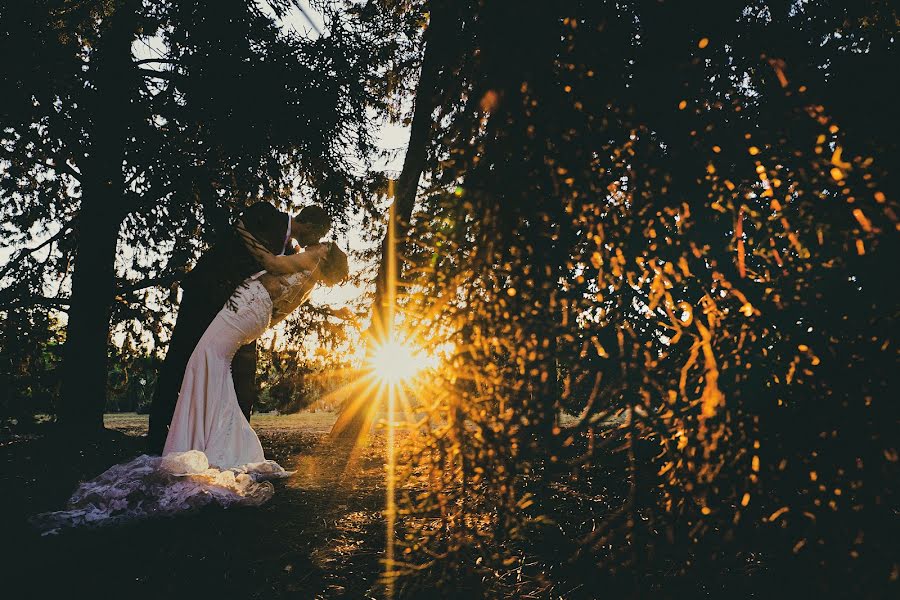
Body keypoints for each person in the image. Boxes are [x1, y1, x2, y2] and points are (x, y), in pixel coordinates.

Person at [33, 241, 351, 532]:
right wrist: (258, 313)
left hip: (249, 304)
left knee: (205, 359)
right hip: (258, 314)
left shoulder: (311, 256)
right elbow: (282, 309)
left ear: (326, 254)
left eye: (324, 244)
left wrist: (242, 235)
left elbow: (272, 262)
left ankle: (210, 441)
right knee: (213, 362)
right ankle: (221, 441)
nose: (320, 243)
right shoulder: (310, 282)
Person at [147, 202, 332, 454]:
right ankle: (158, 437)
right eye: (317, 235)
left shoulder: (291, 251)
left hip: (241, 310)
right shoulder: (266, 214)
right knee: (180, 360)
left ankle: (229, 442)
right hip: (206, 296)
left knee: (240, 375)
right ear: (310, 225)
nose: (316, 241)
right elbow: (236, 240)